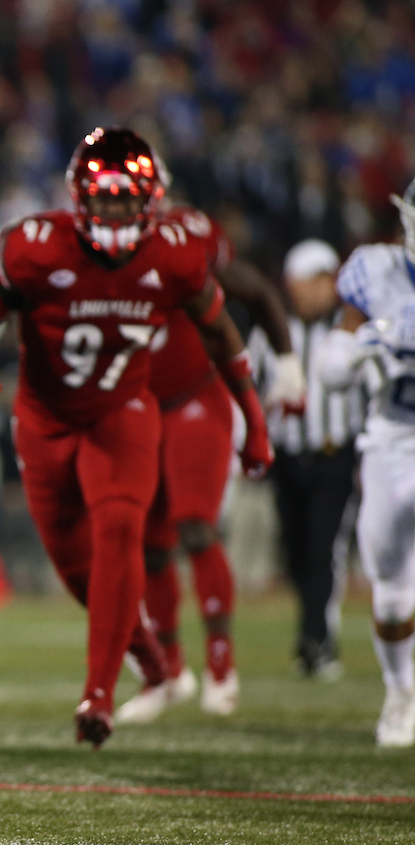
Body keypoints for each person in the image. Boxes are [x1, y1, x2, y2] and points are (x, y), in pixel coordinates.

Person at [0, 127, 272, 747]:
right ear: (79, 197)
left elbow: (221, 335)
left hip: (122, 411)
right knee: (77, 572)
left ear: (151, 199)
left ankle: (98, 695)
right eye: (105, 196)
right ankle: (154, 661)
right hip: (44, 421)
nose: (116, 209)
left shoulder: (175, 252)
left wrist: (254, 421)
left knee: (121, 528)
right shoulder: (35, 246)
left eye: (128, 198)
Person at [121, 203, 301, 722]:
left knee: (196, 528)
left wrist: (287, 364)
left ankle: (221, 665)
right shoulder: (73, 249)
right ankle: (171, 672)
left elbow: (257, 291)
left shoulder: (184, 238)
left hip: (193, 398)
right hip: (134, 407)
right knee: (148, 546)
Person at [318, 178, 415, 747]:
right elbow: (331, 369)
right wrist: (359, 350)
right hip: (391, 443)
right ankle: (401, 693)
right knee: (393, 590)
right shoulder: (376, 271)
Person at [270, 239, 363, 681]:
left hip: (334, 454)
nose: (323, 290)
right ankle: (312, 636)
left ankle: (317, 641)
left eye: (327, 280)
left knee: (324, 551)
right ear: (293, 285)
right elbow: (248, 387)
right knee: (295, 552)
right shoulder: (271, 329)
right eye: (314, 281)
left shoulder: (350, 327)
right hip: (286, 456)